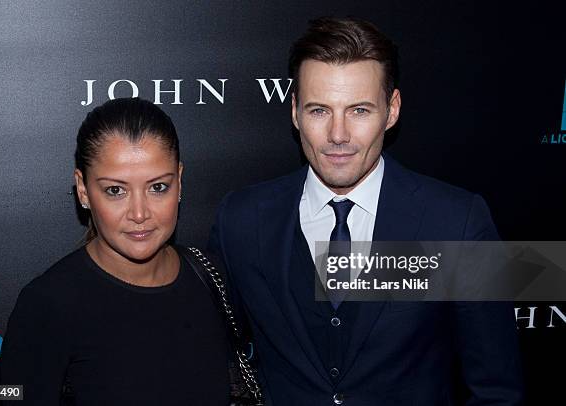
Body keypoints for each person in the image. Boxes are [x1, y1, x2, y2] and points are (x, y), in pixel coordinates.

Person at [208, 17, 524, 405]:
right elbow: (213, 364)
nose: (338, 135)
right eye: (319, 110)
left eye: (358, 110)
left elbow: (497, 390)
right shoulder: (240, 220)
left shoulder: (457, 221)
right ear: (294, 112)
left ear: (391, 110)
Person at [0, 98, 231, 405]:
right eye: (115, 190)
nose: (139, 213)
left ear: (179, 181)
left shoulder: (213, 278)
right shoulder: (46, 306)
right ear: (83, 190)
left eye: (158, 187)